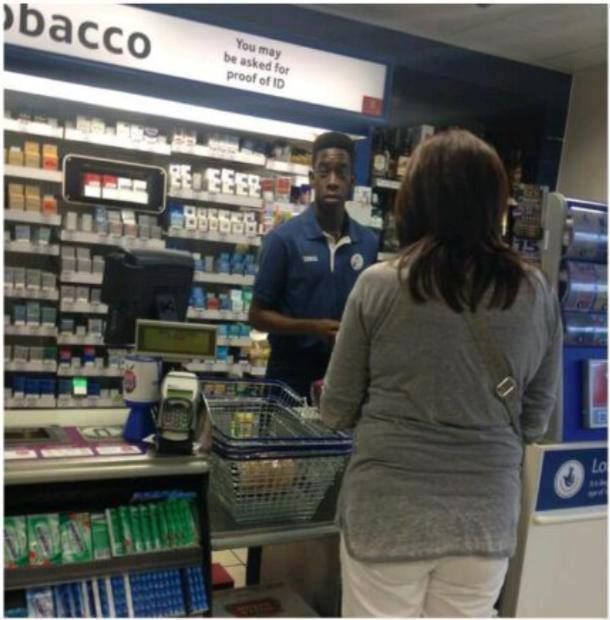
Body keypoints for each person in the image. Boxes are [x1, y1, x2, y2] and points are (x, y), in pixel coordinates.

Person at [321, 129, 562, 617]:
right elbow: (536, 421)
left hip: (387, 513)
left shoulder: (379, 285)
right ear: (494, 201)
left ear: (416, 199)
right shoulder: (535, 293)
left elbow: (337, 409)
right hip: (484, 518)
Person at [249, 131, 378, 398]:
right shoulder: (283, 240)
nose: (332, 182)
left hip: (346, 375)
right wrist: (312, 328)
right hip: (289, 377)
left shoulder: (367, 243)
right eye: (324, 172)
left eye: (341, 172)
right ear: (312, 178)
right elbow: (257, 316)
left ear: (352, 181)